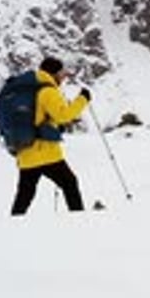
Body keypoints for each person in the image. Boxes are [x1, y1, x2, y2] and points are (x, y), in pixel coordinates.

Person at [11, 56, 91, 215]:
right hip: (46, 153)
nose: (63, 77)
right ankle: (79, 220)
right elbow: (65, 115)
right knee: (70, 183)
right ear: (53, 73)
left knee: (25, 195)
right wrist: (83, 99)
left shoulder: (33, 90)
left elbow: (41, 118)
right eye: (61, 73)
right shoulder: (48, 91)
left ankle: (13, 224)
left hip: (26, 151)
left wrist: (53, 127)